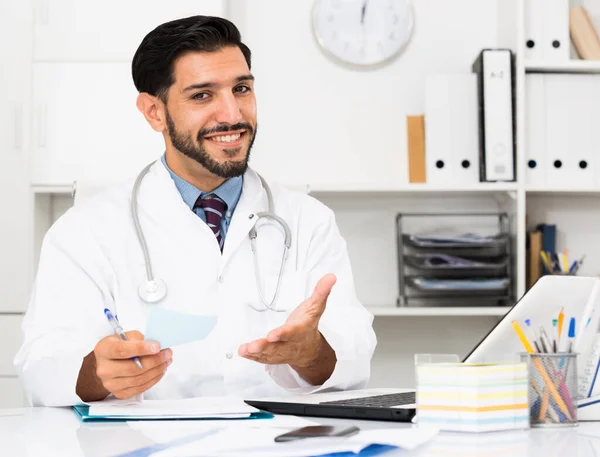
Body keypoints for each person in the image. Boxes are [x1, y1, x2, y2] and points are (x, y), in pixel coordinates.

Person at [14, 15, 376, 406]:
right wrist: (98, 373)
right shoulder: (85, 230)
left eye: (241, 89)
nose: (232, 115)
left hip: (277, 443)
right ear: (154, 112)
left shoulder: (308, 220)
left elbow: (353, 354)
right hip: (144, 446)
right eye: (202, 95)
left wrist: (311, 354)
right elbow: (41, 368)